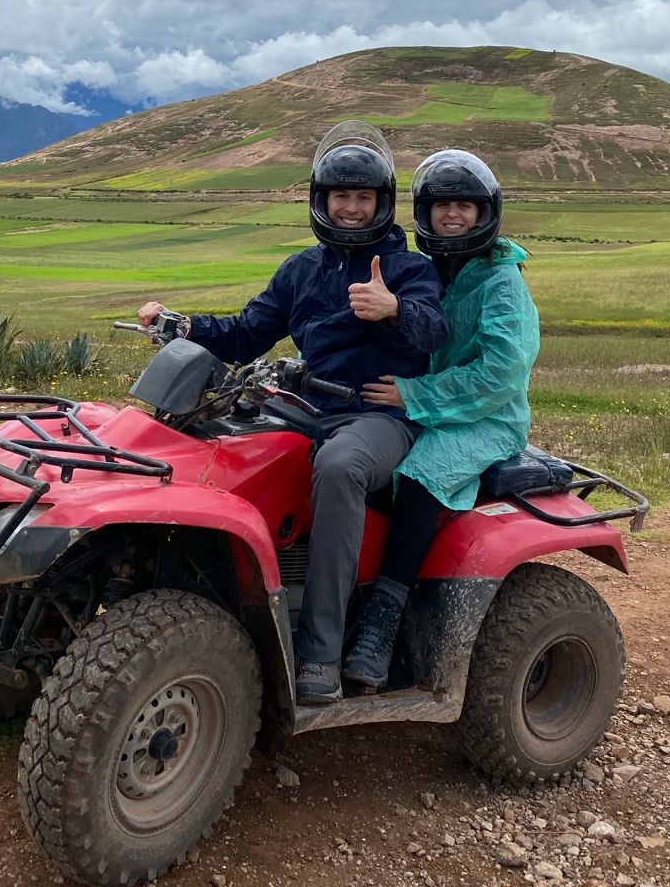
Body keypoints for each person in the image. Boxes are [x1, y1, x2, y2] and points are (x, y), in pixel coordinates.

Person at [137, 122, 447, 705]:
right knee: (224, 448)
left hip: (378, 417)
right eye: (342, 197)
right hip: (306, 407)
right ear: (321, 200)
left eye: (364, 198)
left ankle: (320, 653)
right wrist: (180, 325)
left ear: (383, 204)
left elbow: (436, 331)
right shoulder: (302, 270)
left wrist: (394, 309)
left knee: (340, 468)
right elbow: (246, 332)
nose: (352, 209)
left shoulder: (408, 270)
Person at [343, 147, 540, 691]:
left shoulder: (502, 283)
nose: (452, 215)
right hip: (428, 402)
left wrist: (414, 394)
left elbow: (499, 375)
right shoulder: (431, 270)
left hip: (488, 418)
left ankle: (383, 620)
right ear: (423, 213)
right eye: (441, 206)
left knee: (421, 472)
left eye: (465, 206)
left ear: (485, 212)